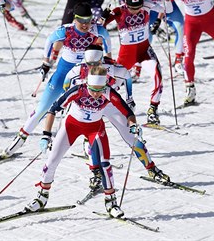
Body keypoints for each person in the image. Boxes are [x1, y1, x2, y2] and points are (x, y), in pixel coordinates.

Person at [1, 4, 111, 158]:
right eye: (82, 21)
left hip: (85, 76)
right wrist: (46, 62)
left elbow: (107, 43)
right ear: (75, 19)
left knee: (88, 109)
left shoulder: (98, 30)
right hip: (63, 74)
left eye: (88, 21)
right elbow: (49, 41)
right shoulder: (66, 31)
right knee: (43, 108)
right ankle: (19, 139)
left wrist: (108, 61)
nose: (86, 25)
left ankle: (88, 144)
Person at [24, 66, 133, 218]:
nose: (96, 94)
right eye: (93, 89)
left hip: (95, 128)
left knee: (105, 163)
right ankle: (42, 197)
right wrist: (46, 135)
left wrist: (133, 125)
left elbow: (128, 112)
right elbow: (53, 109)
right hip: (71, 126)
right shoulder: (77, 90)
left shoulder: (108, 91)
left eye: (99, 90)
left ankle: (111, 203)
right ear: (87, 84)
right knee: (52, 160)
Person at [63, 45, 170, 183]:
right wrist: (70, 100)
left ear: (101, 61)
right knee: (92, 136)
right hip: (88, 106)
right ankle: (96, 173)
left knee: (131, 136)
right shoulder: (78, 69)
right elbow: (67, 83)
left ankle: (151, 169)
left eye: (95, 64)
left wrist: (129, 97)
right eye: (89, 64)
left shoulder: (113, 69)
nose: (92, 67)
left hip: (109, 104)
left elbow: (127, 77)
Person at [103, 0, 165, 124]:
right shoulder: (119, 11)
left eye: (138, 7)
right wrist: (103, 17)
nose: (136, 10)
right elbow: (99, 27)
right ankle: (100, 107)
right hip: (126, 55)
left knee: (158, 78)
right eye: (132, 8)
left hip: (144, 51)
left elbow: (167, 9)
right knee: (113, 84)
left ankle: (153, 111)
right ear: (126, 4)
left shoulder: (147, 4)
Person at [141, 0, 185, 75]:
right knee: (146, 33)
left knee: (180, 26)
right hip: (152, 10)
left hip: (169, 8)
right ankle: (138, 65)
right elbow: (135, 4)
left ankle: (178, 60)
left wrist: (159, 20)